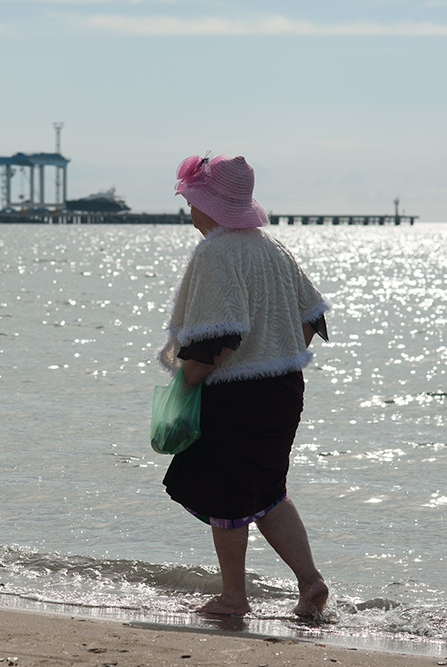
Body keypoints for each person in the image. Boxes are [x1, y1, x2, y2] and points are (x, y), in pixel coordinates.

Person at [158, 153, 330, 619]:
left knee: (227, 499)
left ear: (208, 206)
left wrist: (184, 387)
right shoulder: (272, 247)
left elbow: (218, 338)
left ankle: (234, 597)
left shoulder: (216, 252)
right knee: (270, 492)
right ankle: (311, 582)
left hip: (237, 396)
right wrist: (272, 348)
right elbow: (312, 317)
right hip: (283, 390)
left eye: (191, 202)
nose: (189, 211)